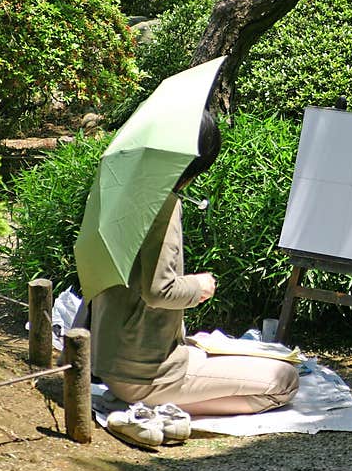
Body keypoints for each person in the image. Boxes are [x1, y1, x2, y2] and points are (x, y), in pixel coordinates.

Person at [77, 110, 299, 417]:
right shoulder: (162, 205)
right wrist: (200, 285)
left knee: (210, 352)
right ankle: (156, 404)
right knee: (285, 380)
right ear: (197, 161)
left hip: (111, 363)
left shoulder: (121, 188)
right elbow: (158, 291)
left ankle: (149, 396)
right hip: (145, 374)